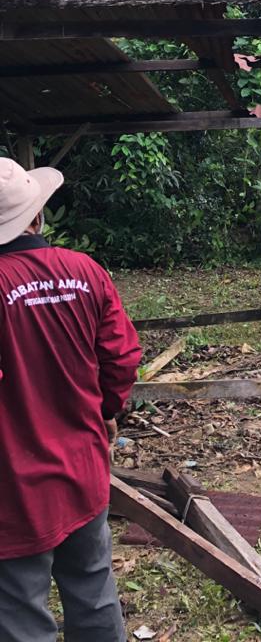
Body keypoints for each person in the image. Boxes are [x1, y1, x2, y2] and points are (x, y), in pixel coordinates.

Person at [0, 157, 141, 641]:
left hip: (14, 486)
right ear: (37, 217)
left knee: (19, 614)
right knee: (93, 588)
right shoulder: (85, 271)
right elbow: (122, 358)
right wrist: (104, 413)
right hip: (83, 466)